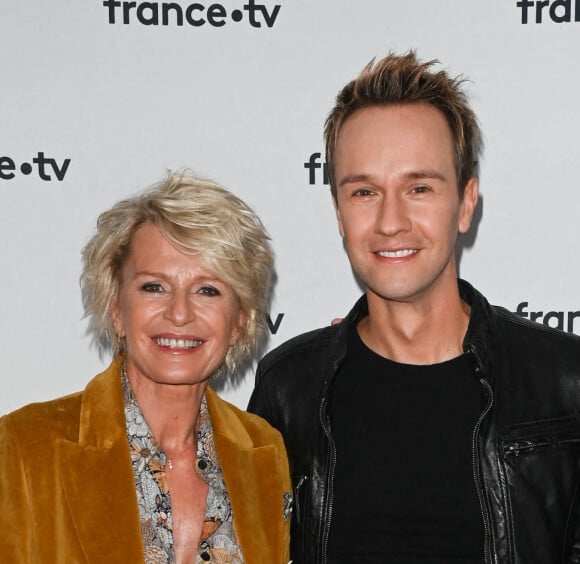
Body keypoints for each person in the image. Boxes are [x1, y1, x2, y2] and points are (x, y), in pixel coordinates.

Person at [248, 51, 580, 563]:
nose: (390, 221)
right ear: (338, 212)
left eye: (419, 187)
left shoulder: (564, 379)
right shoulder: (288, 388)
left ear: (467, 203)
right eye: (364, 191)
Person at [0, 172, 292, 564]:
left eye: (208, 290)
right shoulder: (22, 448)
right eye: (154, 286)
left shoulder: (265, 451)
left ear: (239, 321)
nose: (179, 313)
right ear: (116, 307)